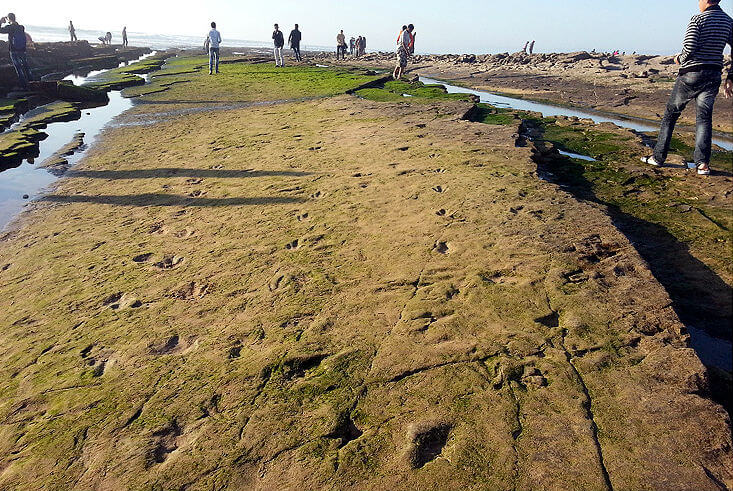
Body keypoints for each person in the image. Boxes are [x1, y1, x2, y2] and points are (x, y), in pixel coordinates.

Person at [642, 0, 733, 176]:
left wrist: (679, 58)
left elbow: (689, 47)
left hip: (691, 74)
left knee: (671, 114)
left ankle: (658, 158)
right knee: (704, 119)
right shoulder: (728, 21)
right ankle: (702, 165)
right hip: (713, 74)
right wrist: (731, 76)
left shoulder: (697, 19)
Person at [0, 13, 33, 89]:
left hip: (14, 50)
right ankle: (32, 83)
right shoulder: (21, 27)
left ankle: (24, 86)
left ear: (8, 19)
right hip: (22, 50)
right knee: (26, 67)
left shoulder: (9, 27)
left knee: (19, 68)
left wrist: (1, 22)